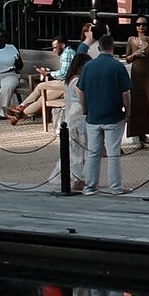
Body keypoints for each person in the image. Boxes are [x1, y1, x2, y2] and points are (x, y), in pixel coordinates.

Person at [79, 34, 132, 196]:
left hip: (93, 115)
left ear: (99, 47)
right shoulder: (117, 67)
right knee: (113, 151)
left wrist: (85, 109)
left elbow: (81, 91)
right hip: (114, 115)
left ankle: (90, 186)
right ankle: (115, 186)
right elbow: (126, 94)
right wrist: (128, 113)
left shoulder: (88, 66)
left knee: (93, 152)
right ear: (112, 46)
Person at [125, 21, 149, 150]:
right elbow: (127, 58)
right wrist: (134, 55)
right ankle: (139, 136)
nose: (141, 27)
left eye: (144, 24)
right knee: (138, 103)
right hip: (137, 75)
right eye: (138, 24)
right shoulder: (131, 40)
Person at [61, 53, 89, 193]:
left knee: (76, 149)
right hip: (78, 116)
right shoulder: (77, 82)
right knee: (79, 149)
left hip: (72, 114)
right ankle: (78, 178)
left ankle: (78, 177)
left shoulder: (69, 80)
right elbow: (81, 97)